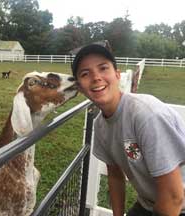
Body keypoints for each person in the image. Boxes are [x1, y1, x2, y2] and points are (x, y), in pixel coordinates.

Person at [71, 41, 185, 216]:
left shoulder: (146, 115)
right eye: (85, 73)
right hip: (149, 203)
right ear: (80, 87)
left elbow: (174, 197)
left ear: (117, 75)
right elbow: (115, 176)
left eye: (103, 68)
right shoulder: (100, 125)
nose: (96, 77)